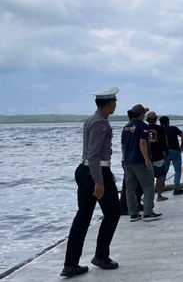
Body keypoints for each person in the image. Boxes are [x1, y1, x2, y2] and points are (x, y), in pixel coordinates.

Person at [61, 87, 121, 277]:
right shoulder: (101, 124)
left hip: (87, 170)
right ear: (109, 104)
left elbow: (94, 154)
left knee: (83, 217)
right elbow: (94, 153)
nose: (115, 105)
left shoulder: (91, 119)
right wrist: (99, 180)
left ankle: (70, 264)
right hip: (94, 172)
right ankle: (101, 256)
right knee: (113, 212)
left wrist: (107, 172)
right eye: (114, 102)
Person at [121, 104, 162, 222]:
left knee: (130, 188)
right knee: (148, 186)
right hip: (140, 161)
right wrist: (147, 160)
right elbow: (142, 143)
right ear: (140, 114)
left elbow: (123, 145)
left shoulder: (126, 127)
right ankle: (148, 212)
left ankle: (133, 213)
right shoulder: (143, 126)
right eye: (144, 113)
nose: (145, 115)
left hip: (128, 162)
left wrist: (124, 160)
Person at [159, 115, 183, 195]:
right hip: (175, 151)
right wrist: (182, 146)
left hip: (164, 152)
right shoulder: (173, 128)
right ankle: (176, 189)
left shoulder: (159, 130)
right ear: (168, 122)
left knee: (164, 171)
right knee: (177, 170)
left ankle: (160, 188)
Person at [146, 111, 169, 201]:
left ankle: (149, 197)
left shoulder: (144, 128)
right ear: (154, 119)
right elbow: (164, 142)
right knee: (159, 176)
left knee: (149, 178)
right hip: (158, 155)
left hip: (148, 156)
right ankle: (159, 195)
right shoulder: (159, 128)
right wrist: (166, 153)